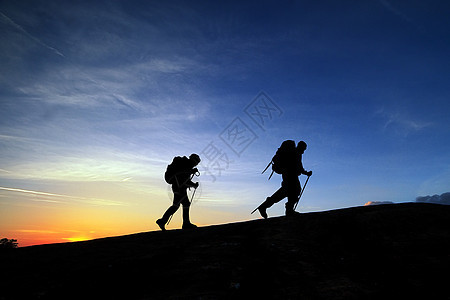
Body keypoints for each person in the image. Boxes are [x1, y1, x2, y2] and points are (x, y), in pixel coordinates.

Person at [257, 141, 312, 218]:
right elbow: (299, 167)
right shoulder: (295, 153)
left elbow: (299, 167)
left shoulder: (296, 153)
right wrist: (305, 173)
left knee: (288, 192)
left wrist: (306, 173)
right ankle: (287, 210)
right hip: (290, 175)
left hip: (289, 175)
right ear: (301, 147)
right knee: (292, 191)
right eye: (304, 149)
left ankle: (268, 206)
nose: (304, 151)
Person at [156, 153, 201, 231]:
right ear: (193, 160)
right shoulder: (186, 165)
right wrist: (193, 183)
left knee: (180, 204)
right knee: (182, 204)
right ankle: (184, 223)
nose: (195, 165)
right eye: (195, 163)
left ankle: (163, 221)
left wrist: (193, 183)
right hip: (178, 187)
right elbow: (183, 178)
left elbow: (185, 180)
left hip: (179, 187)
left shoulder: (187, 166)